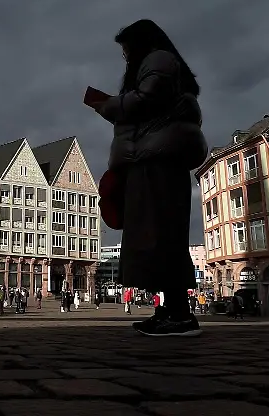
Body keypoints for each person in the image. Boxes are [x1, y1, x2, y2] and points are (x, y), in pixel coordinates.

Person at [89, 19, 208, 337]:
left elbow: (145, 101)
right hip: (153, 156)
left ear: (141, 44)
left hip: (156, 159)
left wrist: (107, 105)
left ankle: (180, 315)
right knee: (158, 237)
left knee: (162, 236)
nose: (126, 58)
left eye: (127, 50)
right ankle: (168, 311)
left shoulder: (157, 60)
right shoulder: (164, 64)